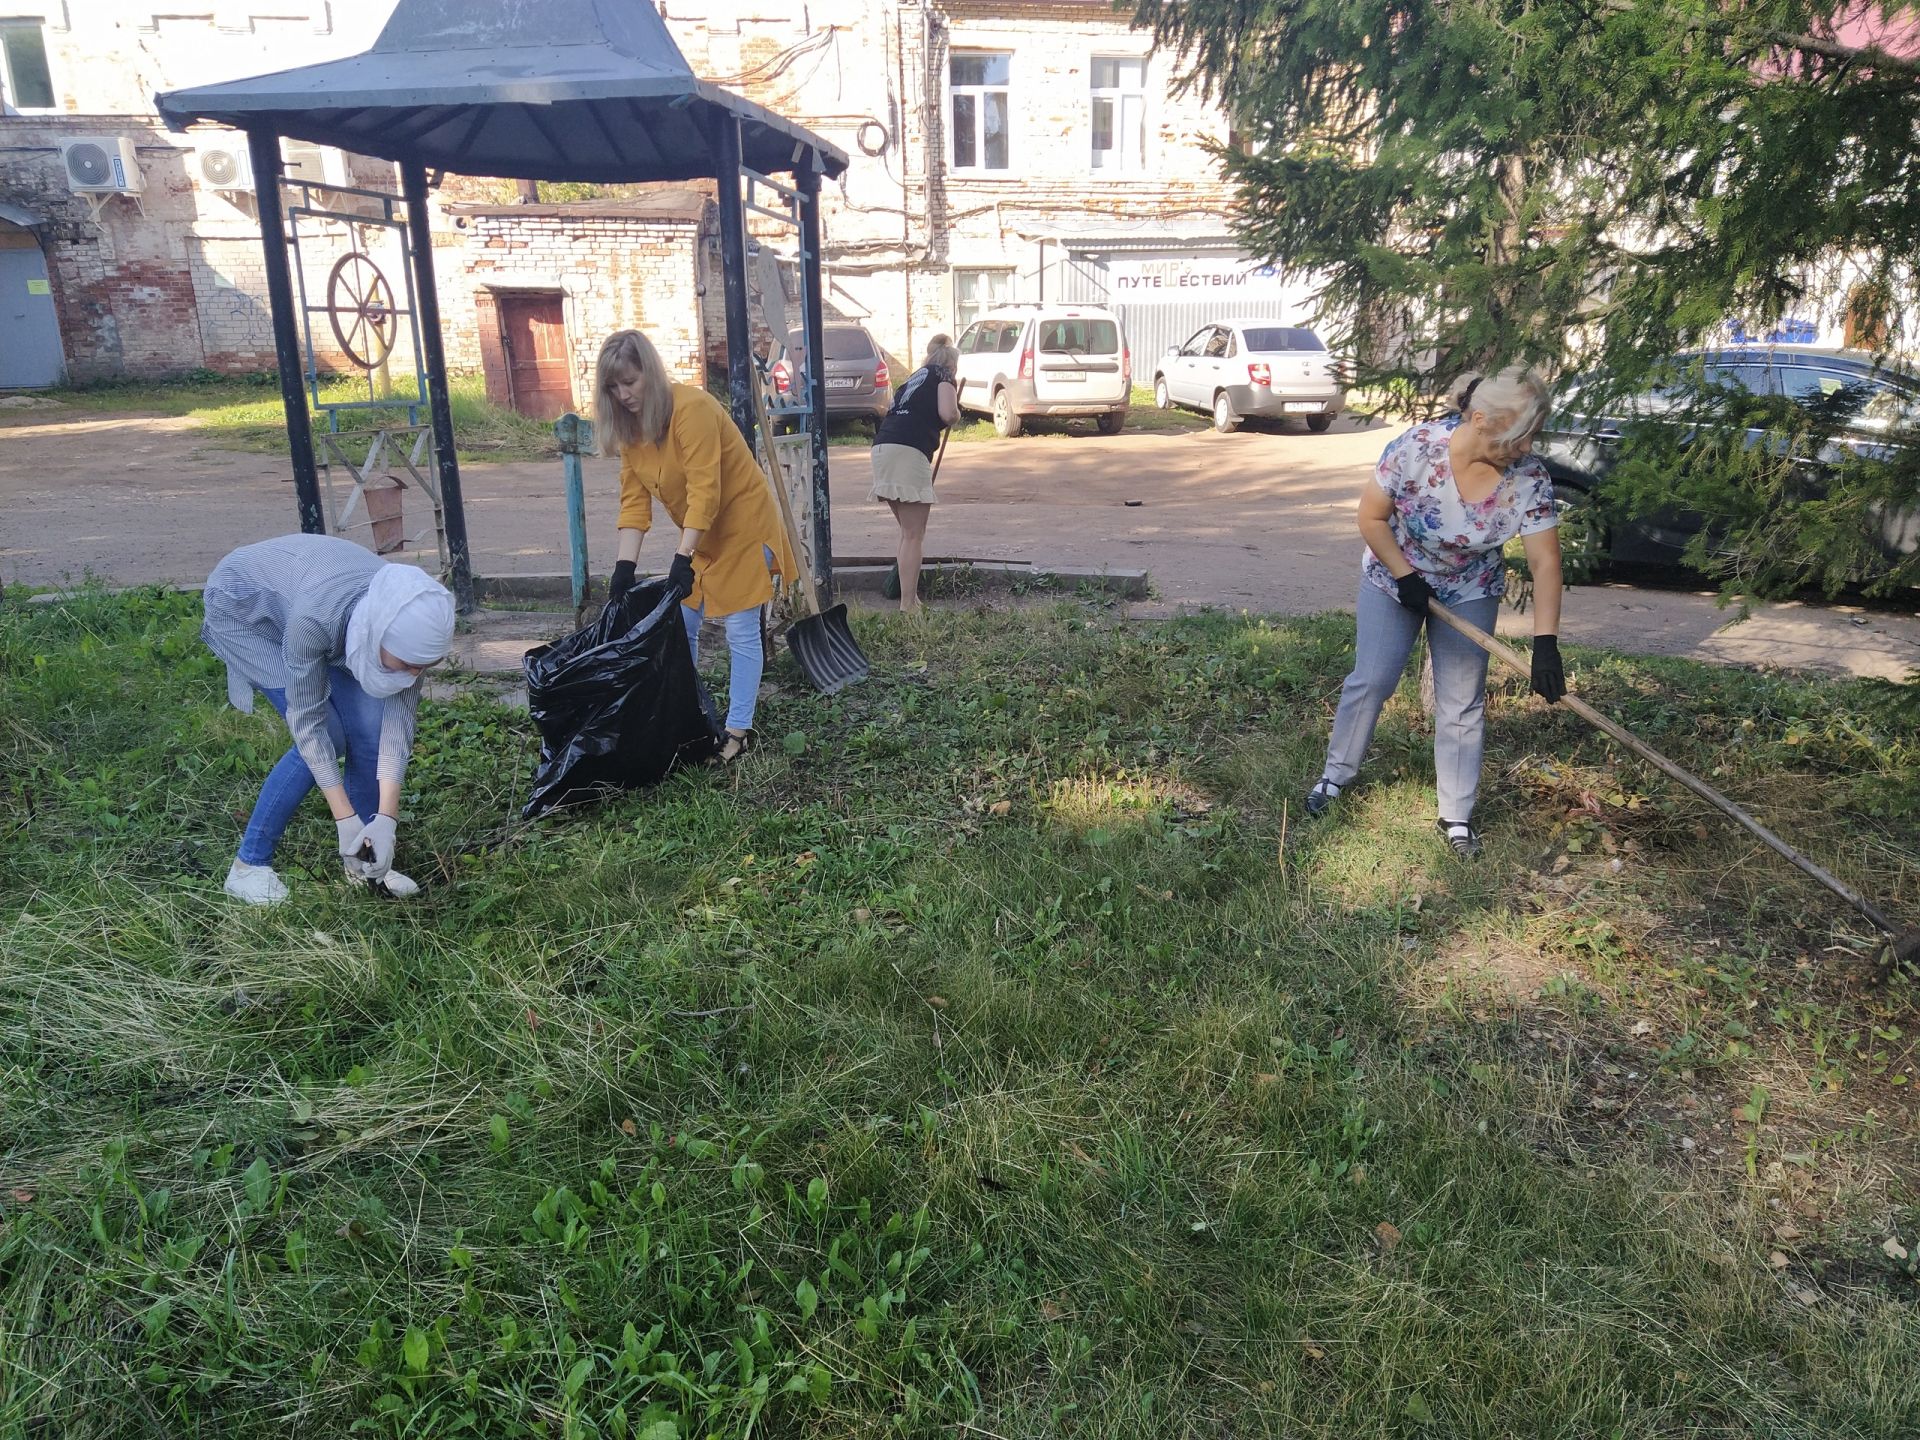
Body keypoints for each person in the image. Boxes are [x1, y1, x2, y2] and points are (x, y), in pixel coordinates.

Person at [1304, 367, 1567, 856]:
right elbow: (1371, 516)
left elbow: (1544, 560)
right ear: (1482, 419)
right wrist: (1404, 576)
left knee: (1462, 702)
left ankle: (1457, 816)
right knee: (1374, 678)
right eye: (1519, 436)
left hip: (1470, 586)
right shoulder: (1418, 449)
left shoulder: (1528, 477)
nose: (1526, 448)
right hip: (1394, 575)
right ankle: (1334, 777)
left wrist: (1545, 643)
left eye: (1532, 437)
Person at [202, 534, 456, 905]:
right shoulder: (314, 622)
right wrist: (344, 818)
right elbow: (307, 723)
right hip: (243, 609)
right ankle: (249, 866)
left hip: (321, 607)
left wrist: (386, 820)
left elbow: (394, 733)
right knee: (331, 733)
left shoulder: (409, 623)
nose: (414, 676)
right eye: (406, 665)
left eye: (424, 668)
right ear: (375, 637)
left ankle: (364, 860)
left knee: (369, 730)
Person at [594, 328, 796, 762]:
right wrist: (623, 569)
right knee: (678, 625)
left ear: (649, 372)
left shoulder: (693, 410)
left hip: (742, 526)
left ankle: (737, 733)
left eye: (629, 381)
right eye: (613, 386)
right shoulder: (633, 432)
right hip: (701, 537)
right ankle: (693, 717)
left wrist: (680, 558)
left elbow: (707, 490)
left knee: (740, 631)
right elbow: (634, 502)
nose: (623, 394)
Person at [869, 334, 961, 613]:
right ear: (951, 363)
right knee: (913, 534)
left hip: (883, 448)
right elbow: (947, 413)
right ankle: (908, 604)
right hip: (908, 451)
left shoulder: (913, 378)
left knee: (908, 532)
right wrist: (956, 414)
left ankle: (911, 597)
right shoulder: (944, 375)